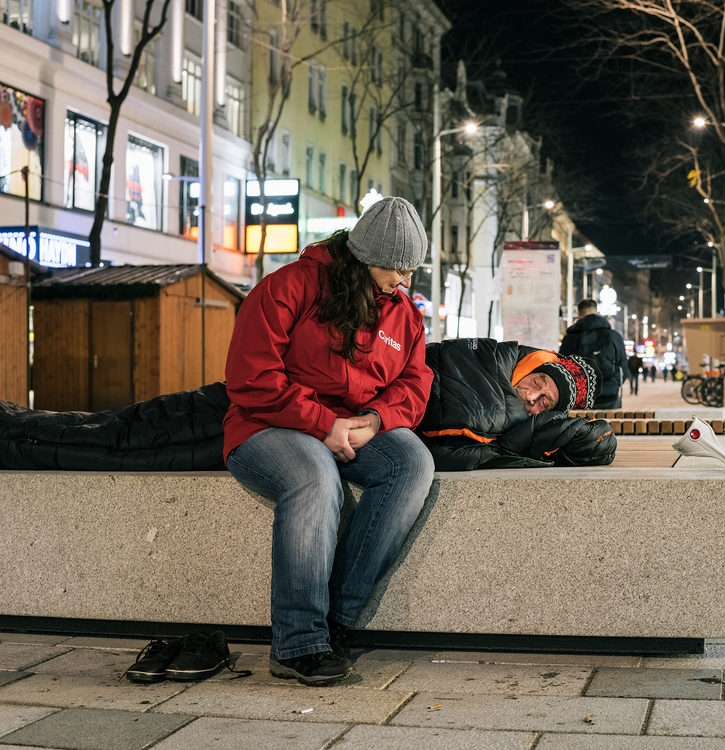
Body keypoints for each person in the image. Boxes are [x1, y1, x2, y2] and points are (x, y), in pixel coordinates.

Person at [223, 197, 435, 688]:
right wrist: (322, 424)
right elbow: (250, 379)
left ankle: (335, 619)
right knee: (315, 475)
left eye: (411, 271)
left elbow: (415, 384)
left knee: (411, 464)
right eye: (397, 270)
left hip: (350, 428)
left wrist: (376, 420)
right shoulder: (287, 287)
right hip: (266, 426)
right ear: (365, 258)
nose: (405, 282)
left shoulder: (404, 313)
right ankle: (298, 642)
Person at [419, 339, 615, 471]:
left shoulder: (528, 428)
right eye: (537, 383)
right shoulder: (497, 360)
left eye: (544, 402)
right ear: (529, 370)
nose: (532, 397)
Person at [558, 298, 628, 408]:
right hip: (610, 397)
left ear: (579, 315)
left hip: (580, 399)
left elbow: (563, 367)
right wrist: (613, 385)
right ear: (597, 313)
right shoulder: (614, 336)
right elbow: (623, 366)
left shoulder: (570, 338)